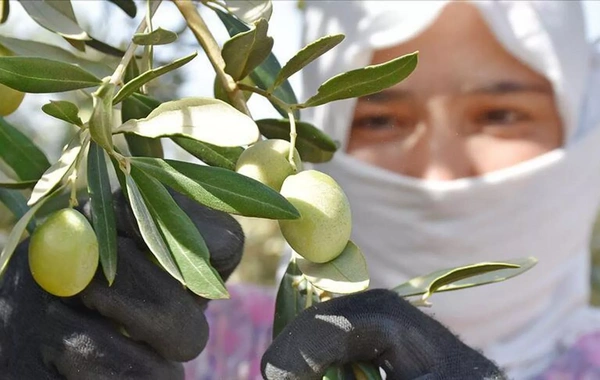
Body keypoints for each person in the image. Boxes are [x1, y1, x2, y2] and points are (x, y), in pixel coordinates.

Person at [3, 1, 600, 380]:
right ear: (322, 134)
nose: (438, 170)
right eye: (380, 120)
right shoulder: (190, 341)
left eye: (499, 115)